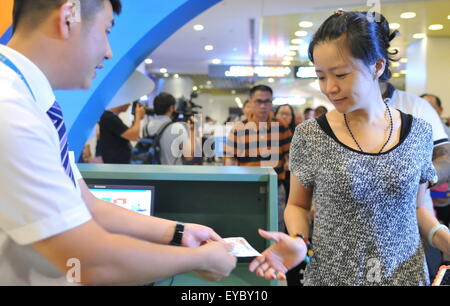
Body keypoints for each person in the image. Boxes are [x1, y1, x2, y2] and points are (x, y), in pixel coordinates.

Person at [0, 0, 236, 285]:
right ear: (68, 17)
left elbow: (88, 205)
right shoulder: (10, 108)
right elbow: (91, 262)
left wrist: (180, 232)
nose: (109, 51)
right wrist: (202, 258)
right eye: (106, 30)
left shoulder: (29, 100)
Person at [249, 10, 450, 285]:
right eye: (321, 76)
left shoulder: (418, 132)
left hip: (406, 276)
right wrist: (298, 239)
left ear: (377, 66)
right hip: (332, 277)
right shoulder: (310, 135)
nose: (330, 88)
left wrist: (441, 236)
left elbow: (416, 207)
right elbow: (297, 204)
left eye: (341, 74)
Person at [225, 85, 292, 232]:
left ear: (271, 103)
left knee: (276, 227)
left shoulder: (281, 127)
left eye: (267, 101)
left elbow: (291, 158)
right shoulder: (239, 128)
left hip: (275, 186)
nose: (263, 106)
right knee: (248, 226)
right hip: (247, 187)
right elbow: (230, 160)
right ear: (250, 102)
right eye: (258, 101)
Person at [146, 92, 199, 165]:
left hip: (151, 174)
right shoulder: (178, 128)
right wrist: (192, 131)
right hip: (172, 174)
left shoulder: (146, 126)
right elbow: (189, 156)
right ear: (171, 108)